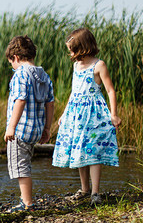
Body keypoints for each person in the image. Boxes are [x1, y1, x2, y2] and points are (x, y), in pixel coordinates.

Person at [52, 28, 121, 205]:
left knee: (94, 151)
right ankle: (84, 189)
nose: (71, 54)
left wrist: (113, 115)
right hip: (76, 114)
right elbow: (73, 92)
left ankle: (95, 193)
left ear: (83, 48)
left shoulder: (99, 65)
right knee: (79, 151)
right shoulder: (76, 66)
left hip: (93, 115)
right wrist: (65, 113)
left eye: (73, 50)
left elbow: (110, 90)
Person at [4, 35, 55, 212]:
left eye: (11, 63)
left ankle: (27, 203)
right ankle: (24, 199)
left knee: (20, 166)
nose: (13, 66)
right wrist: (47, 128)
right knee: (25, 162)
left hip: (21, 129)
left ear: (15, 58)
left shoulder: (20, 75)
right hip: (36, 128)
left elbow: (20, 99)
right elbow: (50, 103)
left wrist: (11, 126)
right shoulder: (43, 75)